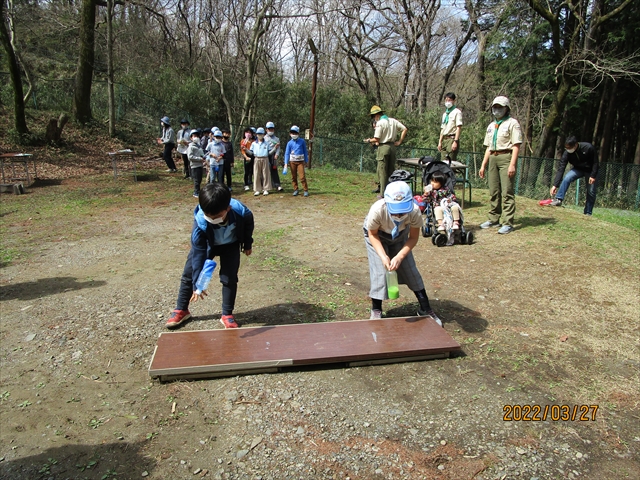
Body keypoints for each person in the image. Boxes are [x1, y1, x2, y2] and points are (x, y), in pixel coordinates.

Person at [166, 182, 254, 330]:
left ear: (228, 209)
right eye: (209, 216)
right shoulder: (201, 222)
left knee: (229, 278)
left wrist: (247, 243)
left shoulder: (240, 211)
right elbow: (198, 254)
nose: (213, 219)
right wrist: (197, 284)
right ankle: (181, 309)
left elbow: (248, 224)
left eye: (217, 216)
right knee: (188, 274)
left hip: (230, 245)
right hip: (208, 244)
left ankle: (227, 314)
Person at [364, 181, 442, 325]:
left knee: (410, 270)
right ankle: (376, 310)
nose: (399, 214)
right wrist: (383, 256)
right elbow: (372, 234)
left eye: (402, 210)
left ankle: (425, 308)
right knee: (381, 272)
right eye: (395, 210)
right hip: (377, 236)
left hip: (400, 236)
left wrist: (400, 256)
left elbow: (413, 237)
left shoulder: (414, 211)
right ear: (386, 203)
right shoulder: (377, 210)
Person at [479, 96, 523, 234]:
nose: (497, 110)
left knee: (507, 192)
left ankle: (508, 222)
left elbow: (516, 145)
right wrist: (483, 165)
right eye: (495, 107)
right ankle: (493, 219)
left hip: (506, 157)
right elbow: (488, 147)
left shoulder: (512, 123)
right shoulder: (491, 126)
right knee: (494, 191)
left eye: (500, 107)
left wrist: (512, 164)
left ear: (506, 108)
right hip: (493, 157)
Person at [547, 136, 599, 215]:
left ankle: (588, 213)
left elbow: (596, 162)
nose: (568, 149)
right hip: (578, 169)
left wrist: (593, 175)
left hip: (590, 171)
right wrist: (555, 185)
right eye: (566, 148)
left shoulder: (588, 148)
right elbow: (561, 168)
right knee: (567, 178)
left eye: (570, 147)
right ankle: (558, 199)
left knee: (591, 191)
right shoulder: (567, 153)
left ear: (575, 145)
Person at [365, 106, 408, 194]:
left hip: (383, 147)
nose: (374, 118)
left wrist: (369, 140)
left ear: (376, 115)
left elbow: (377, 139)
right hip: (392, 147)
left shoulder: (380, 123)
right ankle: (391, 192)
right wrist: (399, 141)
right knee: (391, 170)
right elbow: (404, 129)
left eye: (373, 116)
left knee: (382, 170)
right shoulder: (393, 120)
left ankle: (382, 193)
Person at [283, 125, 309, 197]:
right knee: (293, 176)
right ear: (290, 134)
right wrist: (285, 163)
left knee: (302, 176)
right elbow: (287, 153)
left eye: (295, 133)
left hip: (300, 162)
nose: (294, 135)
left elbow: (305, 151)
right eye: (292, 133)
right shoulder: (289, 143)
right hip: (292, 162)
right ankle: (296, 189)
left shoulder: (302, 141)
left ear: (298, 134)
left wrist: (306, 161)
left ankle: (305, 190)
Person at [438, 93, 462, 162]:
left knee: (450, 163)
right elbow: (442, 129)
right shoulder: (445, 114)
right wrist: (440, 142)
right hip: (444, 140)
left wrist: (455, 141)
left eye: (449, 100)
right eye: (446, 100)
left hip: (452, 139)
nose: (447, 102)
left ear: (454, 101)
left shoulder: (457, 112)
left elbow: (458, 128)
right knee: (442, 164)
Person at [250, 127, 272, 196]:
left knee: (265, 174)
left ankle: (266, 189)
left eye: (261, 134)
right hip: (257, 159)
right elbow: (251, 153)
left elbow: (269, 152)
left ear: (263, 134)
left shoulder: (266, 143)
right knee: (256, 174)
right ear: (256, 134)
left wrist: (275, 148)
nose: (260, 135)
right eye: (258, 134)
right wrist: (245, 150)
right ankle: (257, 189)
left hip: (265, 158)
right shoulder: (254, 143)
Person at [265, 122, 282, 192]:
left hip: (273, 156)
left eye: (272, 129)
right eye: (269, 129)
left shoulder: (276, 139)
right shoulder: (264, 138)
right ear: (266, 130)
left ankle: (277, 185)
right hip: (265, 155)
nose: (270, 131)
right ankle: (267, 186)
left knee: (274, 170)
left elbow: (278, 148)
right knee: (266, 170)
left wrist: (277, 154)